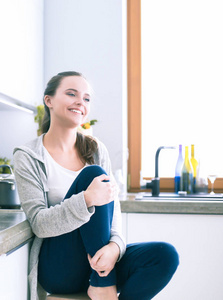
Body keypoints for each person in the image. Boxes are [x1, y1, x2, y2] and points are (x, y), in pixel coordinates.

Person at [13, 71, 179, 300]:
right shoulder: (28, 156)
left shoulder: (96, 149)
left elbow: (114, 215)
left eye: (86, 98)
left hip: (98, 263)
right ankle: (104, 285)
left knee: (165, 255)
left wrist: (115, 248)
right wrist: (87, 199)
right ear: (48, 100)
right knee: (94, 175)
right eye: (71, 94)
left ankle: (102, 285)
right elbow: (40, 224)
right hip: (60, 269)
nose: (81, 102)